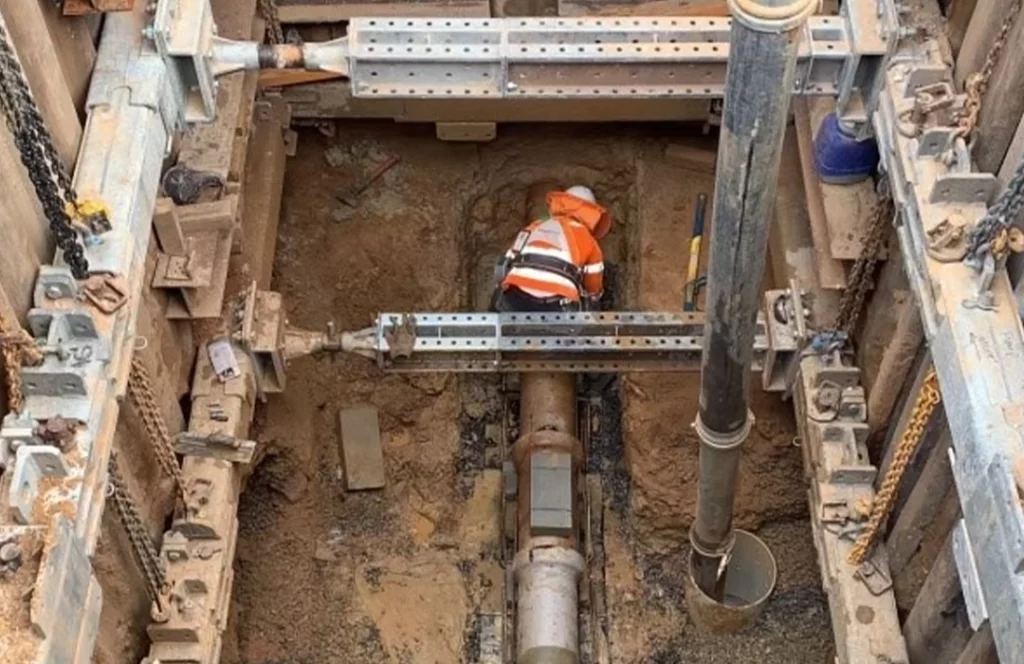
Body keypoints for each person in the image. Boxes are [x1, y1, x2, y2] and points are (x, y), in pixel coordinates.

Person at [492, 185, 611, 313]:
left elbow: (503, 266)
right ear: (591, 213)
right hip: (557, 302)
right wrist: (595, 301)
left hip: (515, 296)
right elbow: (593, 287)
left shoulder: (535, 225)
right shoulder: (588, 239)